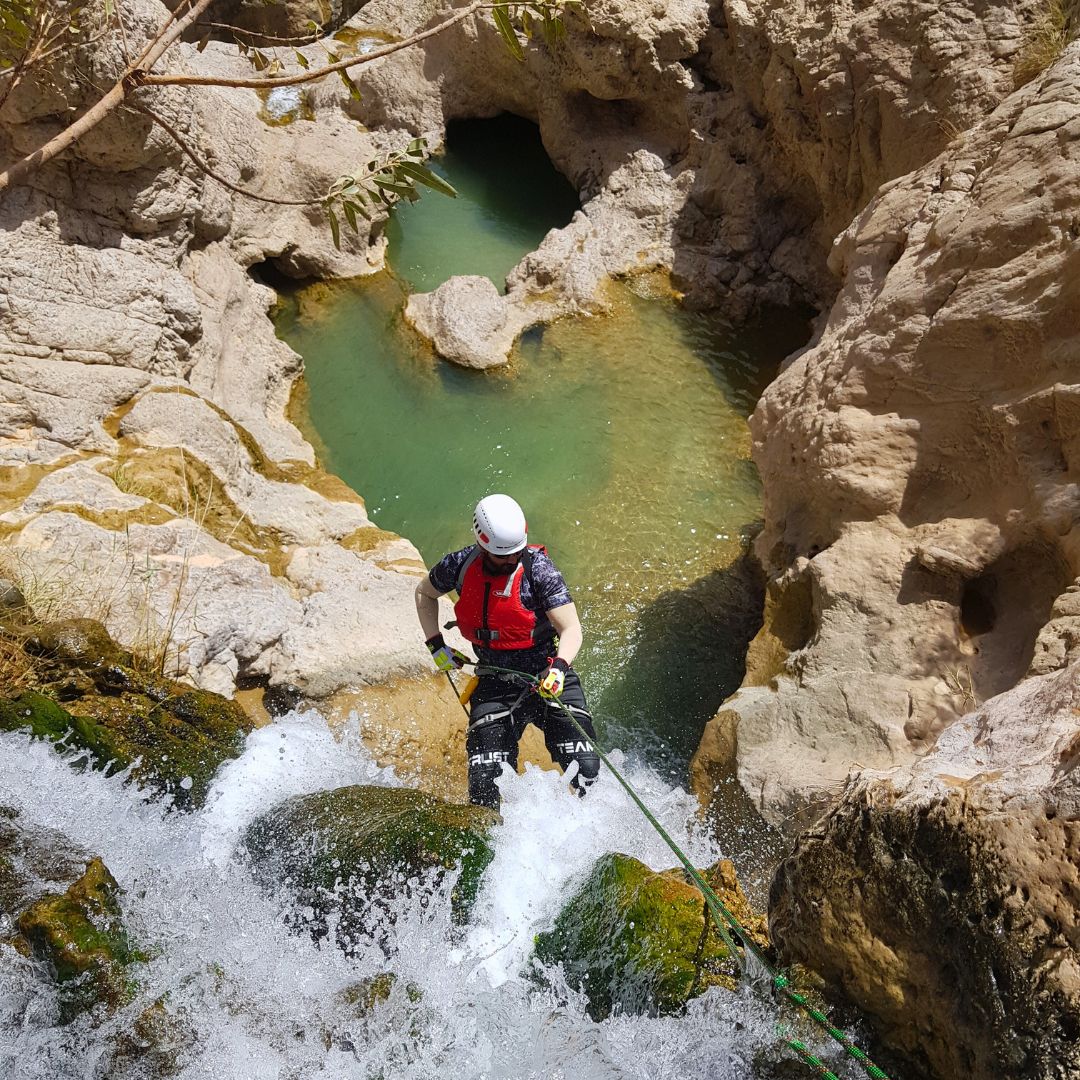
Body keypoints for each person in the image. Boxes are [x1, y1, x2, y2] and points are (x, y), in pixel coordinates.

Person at [415, 493, 600, 810]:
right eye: (502, 556)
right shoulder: (459, 565)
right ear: (482, 545)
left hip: (547, 677)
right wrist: (437, 646)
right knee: (484, 789)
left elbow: (571, 629)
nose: (511, 559)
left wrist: (558, 668)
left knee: (588, 770)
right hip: (494, 683)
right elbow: (424, 593)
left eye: (516, 552)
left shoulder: (540, 571)